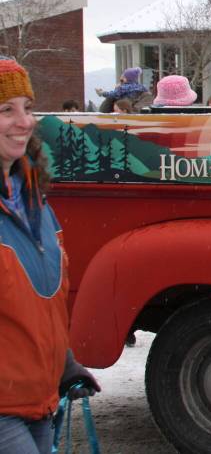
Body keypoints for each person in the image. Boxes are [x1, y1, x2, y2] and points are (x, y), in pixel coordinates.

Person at [0, 59, 99, 453]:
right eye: (6, 110)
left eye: (27, 107)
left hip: (37, 399)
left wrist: (63, 362)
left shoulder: (33, 199)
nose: (24, 122)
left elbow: (40, 301)